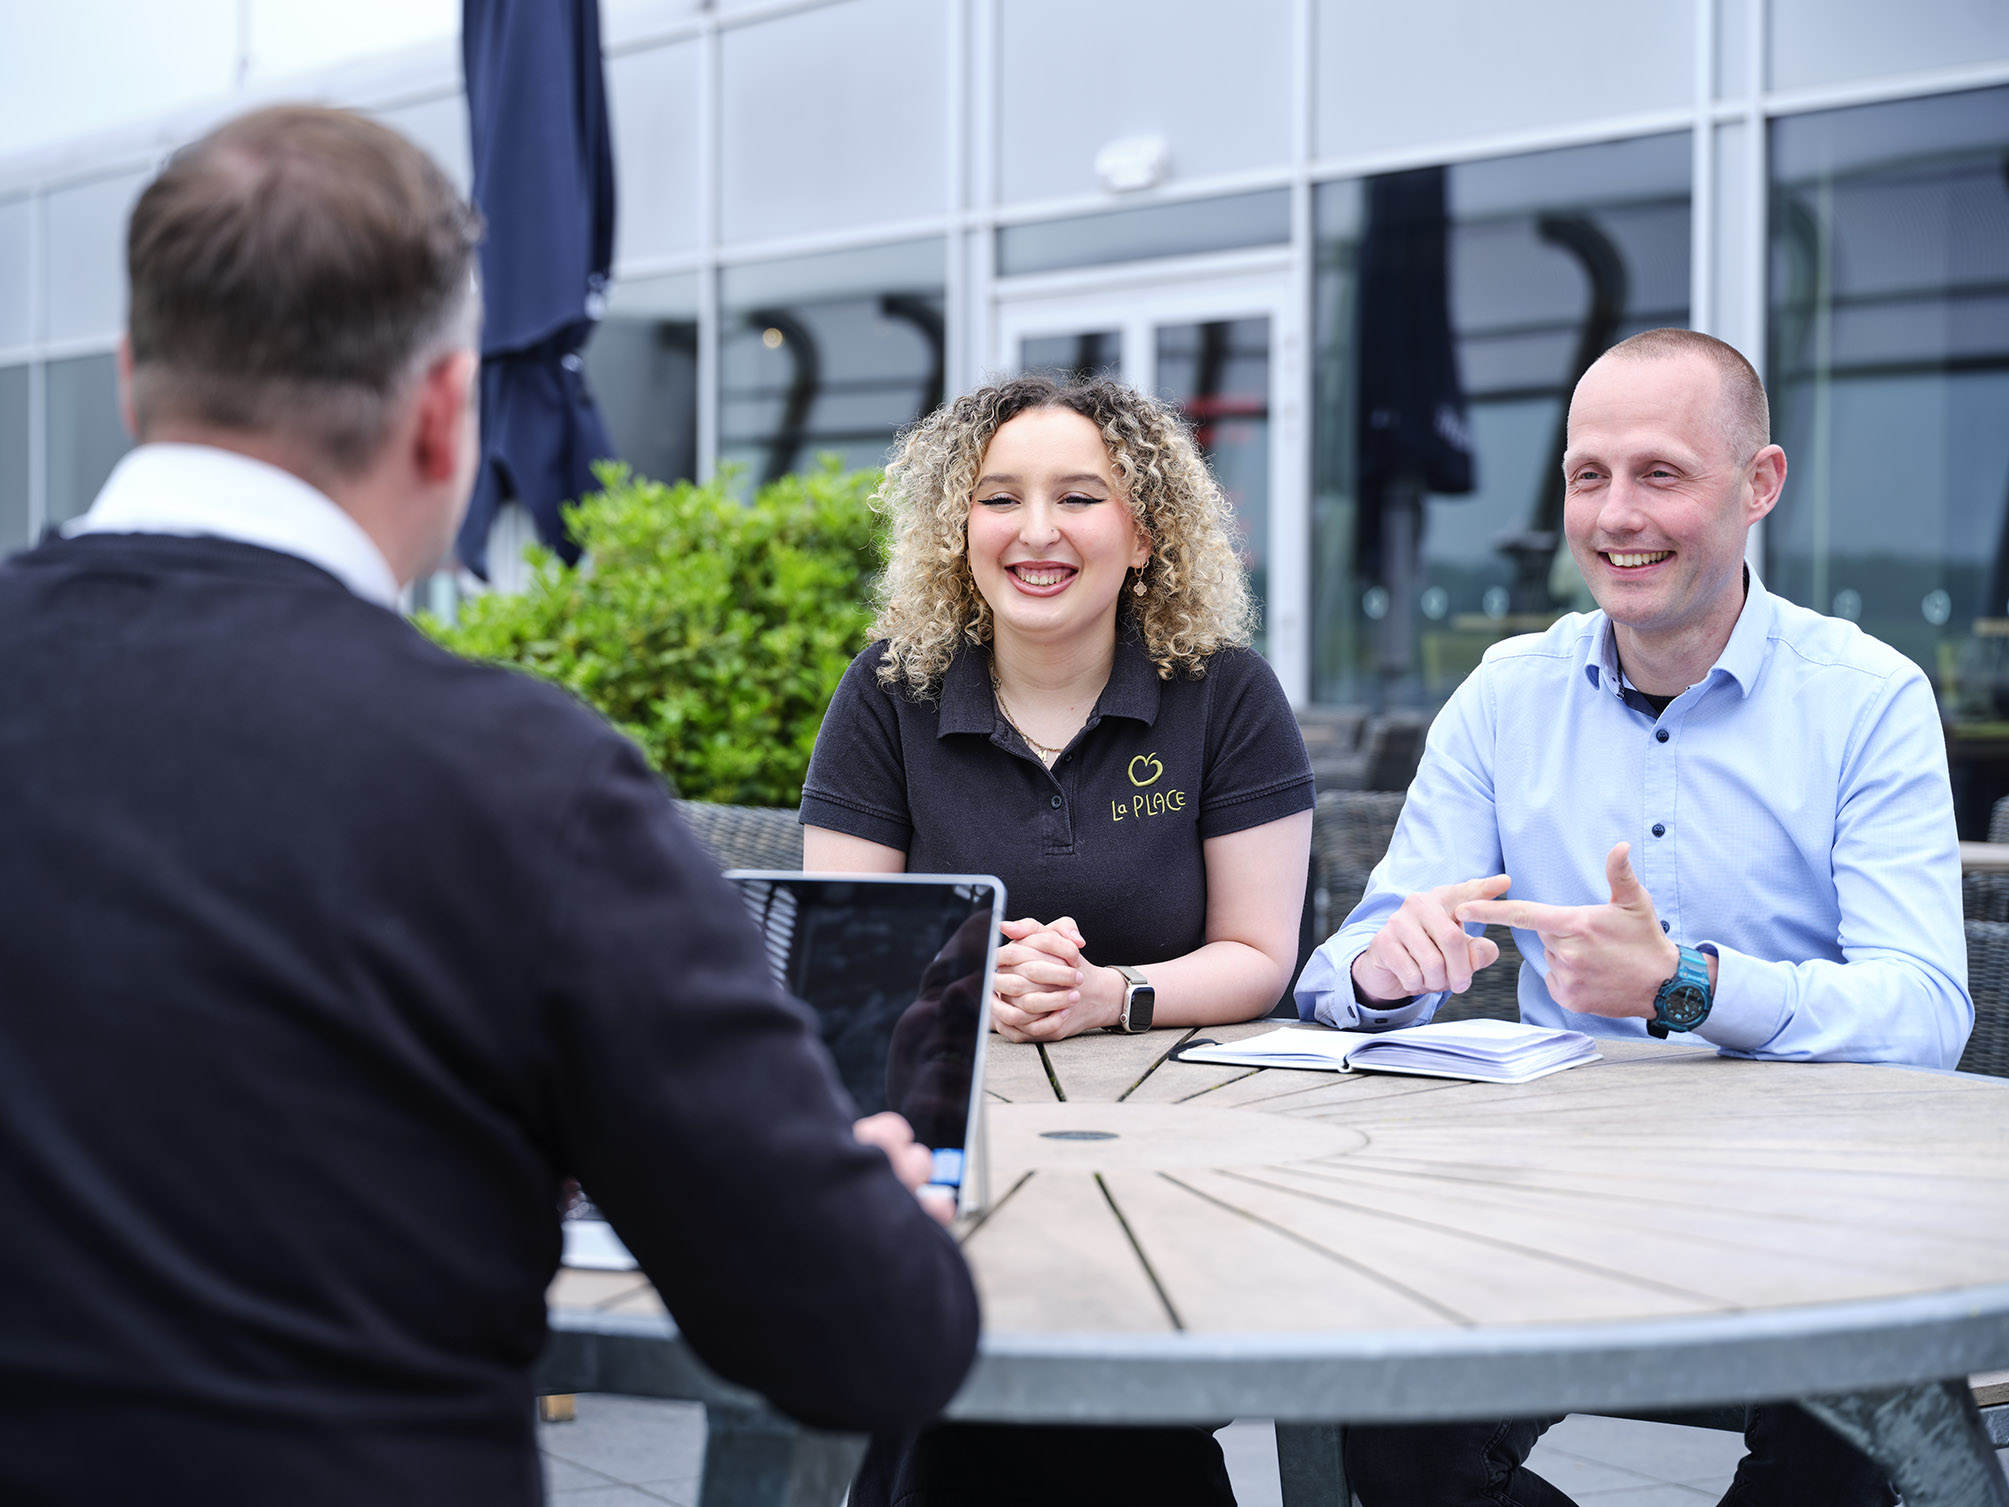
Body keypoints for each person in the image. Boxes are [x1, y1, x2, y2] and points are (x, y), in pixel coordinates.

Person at [0, 106, 976, 1506]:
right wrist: (855, 1202)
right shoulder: (529, 787)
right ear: (448, 408)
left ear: (129, 376)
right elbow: (868, 1340)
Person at [1297, 327, 1969, 1507]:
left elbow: (1927, 1013)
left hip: (1824, 1207)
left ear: (1756, 485)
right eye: (1585, 476)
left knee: (1841, 1463)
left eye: (1658, 474)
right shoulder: (1506, 694)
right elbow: (1341, 965)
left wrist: (1686, 984)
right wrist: (1391, 967)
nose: (1615, 516)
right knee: (1399, 1426)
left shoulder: (1868, 699)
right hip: (1571, 1198)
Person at [800, 374, 1316, 1505]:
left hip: (1176, 1153)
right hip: (951, 1132)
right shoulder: (889, 692)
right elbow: (842, 952)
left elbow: (1257, 953)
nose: (1035, 531)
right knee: (960, 1385)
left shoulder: (1224, 696)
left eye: (1078, 496)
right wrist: (972, 977)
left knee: (1038, 1408)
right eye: (998, 498)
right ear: (957, 529)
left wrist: (1108, 993)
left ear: (1142, 534)